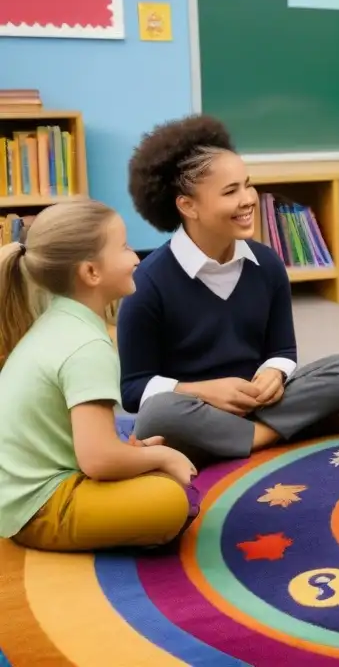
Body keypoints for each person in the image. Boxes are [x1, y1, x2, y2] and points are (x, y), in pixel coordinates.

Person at [117, 115, 339, 463]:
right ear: (187, 205)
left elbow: (282, 350)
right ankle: (290, 428)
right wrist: (205, 392)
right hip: (194, 410)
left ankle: (238, 441)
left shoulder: (267, 265)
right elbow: (133, 390)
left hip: (259, 403)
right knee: (157, 414)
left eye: (247, 185)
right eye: (230, 191)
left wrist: (274, 372)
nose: (249, 199)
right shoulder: (147, 283)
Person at [0, 201, 199, 552]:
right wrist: (163, 459)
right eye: (123, 247)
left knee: (144, 461)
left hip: (19, 492)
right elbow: (99, 460)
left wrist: (127, 456)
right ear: (91, 272)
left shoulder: (59, 320)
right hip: (36, 509)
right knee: (170, 499)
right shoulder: (88, 347)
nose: (136, 257)